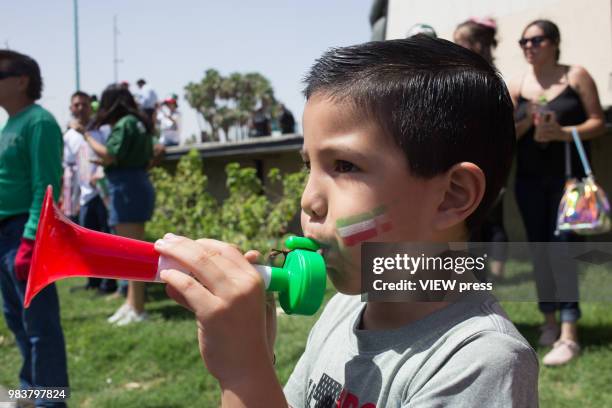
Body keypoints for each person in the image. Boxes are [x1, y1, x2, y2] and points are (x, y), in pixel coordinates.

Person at [155, 37, 538, 406]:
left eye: (345, 166)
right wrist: (256, 358)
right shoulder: (344, 309)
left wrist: (244, 374)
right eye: (309, 166)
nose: (308, 200)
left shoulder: (480, 363)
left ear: (452, 195)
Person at [508, 19, 605, 366]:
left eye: (536, 40)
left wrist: (562, 133)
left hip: (569, 184)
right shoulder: (517, 84)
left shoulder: (575, 76)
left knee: (563, 251)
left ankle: (569, 333)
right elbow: (505, 134)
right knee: (539, 251)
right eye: (523, 41)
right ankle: (548, 320)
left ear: (554, 43)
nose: (528, 46)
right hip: (529, 182)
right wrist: (528, 123)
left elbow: (597, 122)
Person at [0, 49, 69, 407]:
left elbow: (46, 187)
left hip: (23, 236)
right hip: (4, 236)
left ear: (21, 79)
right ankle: (30, 393)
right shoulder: (9, 124)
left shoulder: (38, 122)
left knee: (40, 327)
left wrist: (30, 241)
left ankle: (50, 401)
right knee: (17, 322)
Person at [78, 84, 155, 326]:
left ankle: (138, 309)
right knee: (131, 251)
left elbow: (111, 154)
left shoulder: (125, 123)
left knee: (132, 252)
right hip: (136, 183)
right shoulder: (139, 122)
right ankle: (131, 303)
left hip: (127, 188)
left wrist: (86, 135)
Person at [453, 17, 508, 279]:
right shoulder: (478, 76)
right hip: (472, 164)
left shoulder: (482, 80)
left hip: (480, 166)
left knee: (475, 230)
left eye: (459, 41)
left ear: (475, 44)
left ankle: (477, 284)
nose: (454, 46)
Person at [64, 91, 116, 294]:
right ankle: (93, 280)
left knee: (106, 239)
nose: (80, 108)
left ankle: (109, 283)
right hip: (83, 196)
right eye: (76, 105)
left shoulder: (100, 130)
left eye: (84, 104)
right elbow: (69, 166)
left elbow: (108, 156)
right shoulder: (68, 136)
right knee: (86, 241)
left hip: (102, 194)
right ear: (71, 108)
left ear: (90, 106)